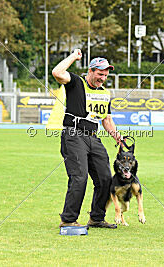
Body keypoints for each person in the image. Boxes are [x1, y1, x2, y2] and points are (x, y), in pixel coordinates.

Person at [52, 49, 122, 229]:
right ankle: (68, 219)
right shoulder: (76, 82)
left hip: (93, 137)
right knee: (79, 177)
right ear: (90, 71)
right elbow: (57, 73)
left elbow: (106, 119)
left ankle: (97, 218)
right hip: (73, 135)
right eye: (100, 74)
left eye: (106, 75)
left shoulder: (105, 93)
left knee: (106, 178)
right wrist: (74, 57)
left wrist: (118, 138)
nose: (103, 78)